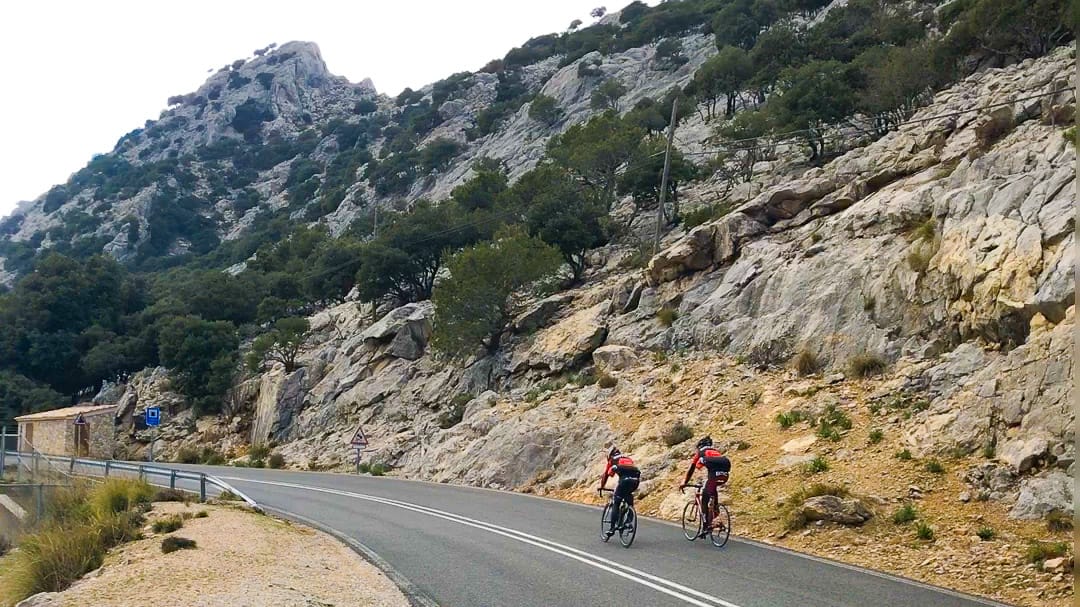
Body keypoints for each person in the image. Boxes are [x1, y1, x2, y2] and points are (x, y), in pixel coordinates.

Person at [681, 436, 730, 536]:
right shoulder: (716, 452)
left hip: (714, 476)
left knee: (704, 498)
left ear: (700, 446)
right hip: (725, 475)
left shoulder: (700, 453)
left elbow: (692, 469)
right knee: (712, 489)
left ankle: (705, 527)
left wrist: (684, 482)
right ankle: (715, 513)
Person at [598, 446, 640, 537]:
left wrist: (602, 487)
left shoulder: (612, 460)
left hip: (624, 480)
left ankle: (612, 528)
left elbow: (607, 475)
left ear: (610, 455)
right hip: (635, 480)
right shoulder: (627, 458)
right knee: (629, 502)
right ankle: (628, 523)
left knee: (616, 503)